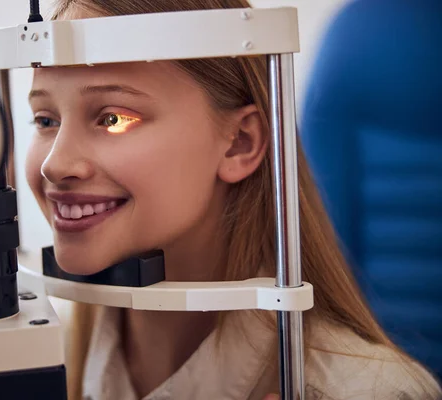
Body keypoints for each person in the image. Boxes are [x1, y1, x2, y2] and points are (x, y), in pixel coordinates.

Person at [24, 1, 442, 399]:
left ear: (239, 143)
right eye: (46, 120)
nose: (56, 164)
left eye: (112, 119)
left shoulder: (368, 392)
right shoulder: (39, 359)